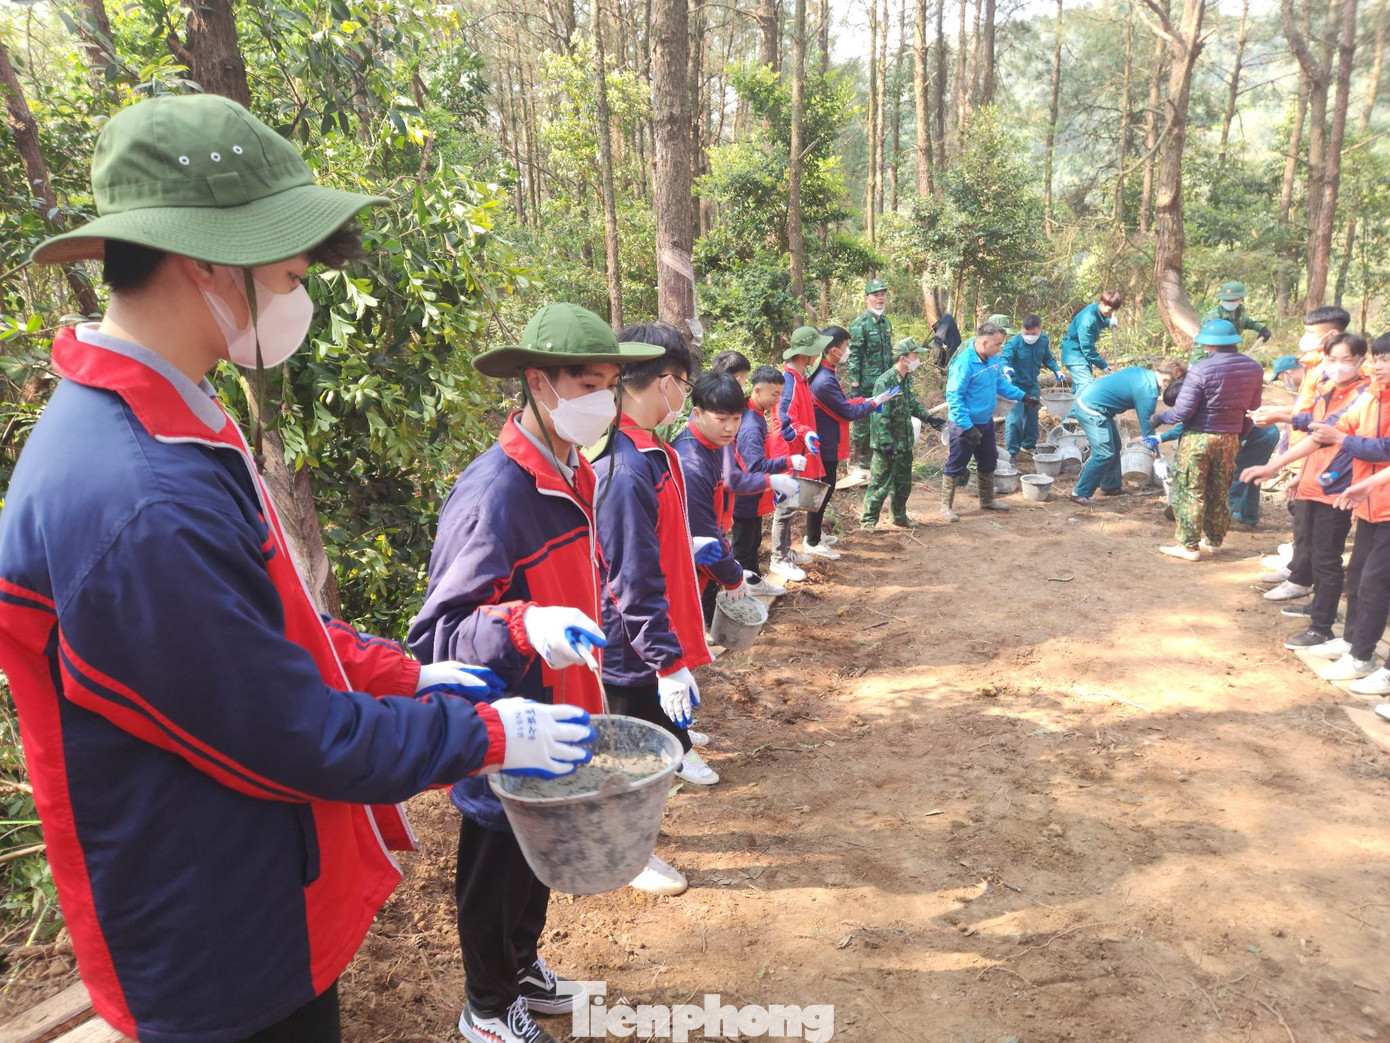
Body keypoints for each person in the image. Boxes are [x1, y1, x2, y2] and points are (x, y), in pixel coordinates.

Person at [0, 94, 594, 1043]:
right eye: (287, 275)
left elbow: (267, 633)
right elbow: (290, 732)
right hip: (214, 944)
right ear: (204, 261)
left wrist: (408, 672)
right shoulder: (139, 498)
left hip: (254, 884)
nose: (297, 298)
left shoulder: (174, 423)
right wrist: (483, 732)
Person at [407, 302, 663, 1043]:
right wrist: (523, 625)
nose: (604, 401)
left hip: (559, 710)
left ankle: (522, 967)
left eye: (611, 384)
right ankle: (487, 1006)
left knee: (535, 859)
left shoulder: (573, 470)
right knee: (496, 858)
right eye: (587, 383)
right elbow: (437, 636)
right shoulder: (496, 493)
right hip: (506, 724)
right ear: (539, 383)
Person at [589, 321, 713, 896]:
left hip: (646, 636)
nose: (683, 396)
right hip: (628, 643)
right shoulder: (624, 465)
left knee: (645, 748)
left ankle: (633, 842)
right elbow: (630, 575)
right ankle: (624, 853)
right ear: (664, 381)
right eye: (683, 384)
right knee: (628, 755)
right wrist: (665, 660)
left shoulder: (650, 452)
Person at [1239, 333, 1370, 655]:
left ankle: (1321, 628)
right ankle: (1318, 607)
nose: (1338, 366)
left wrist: (1273, 464)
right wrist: (1300, 476)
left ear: (1361, 361)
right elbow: (1313, 424)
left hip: (1336, 489)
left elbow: (1322, 435)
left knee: (1326, 558)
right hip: (1314, 481)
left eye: (1346, 360)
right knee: (1311, 549)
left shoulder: (1363, 396)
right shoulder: (1328, 389)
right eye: (1332, 359)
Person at [1288, 333, 1390, 693]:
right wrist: (1276, 466)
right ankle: (1354, 646)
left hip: (1378, 504)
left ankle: (1364, 656)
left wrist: (1343, 441)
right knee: (1359, 578)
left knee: (1375, 584)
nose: (1379, 365)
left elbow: (1381, 448)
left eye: (1385, 359)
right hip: (1370, 505)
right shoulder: (1372, 397)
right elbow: (1327, 431)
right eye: (1378, 358)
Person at [1249, 307, 1352, 594]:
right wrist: (1278, 412)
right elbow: (1307, 410)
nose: (1304, 338)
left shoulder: (1334, 373)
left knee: (1315, 526)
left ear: (1331, 335)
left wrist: (1278, 416)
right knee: (1302, 519)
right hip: (1307, 454)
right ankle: (1297, 567)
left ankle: (1302, 579)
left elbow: (1324, 421)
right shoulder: (1315, 365)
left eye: (1310, 332)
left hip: (1325, 459)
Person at [1154, 319, 1265, 561]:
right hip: (1230, 438)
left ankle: (1188, 546)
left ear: (1210, 344)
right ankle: (1214, 541)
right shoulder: (1254, 369)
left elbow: (1183, 412)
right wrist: (1239, 435)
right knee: (1220, 489)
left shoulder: (1201, 369)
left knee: (1190, 490)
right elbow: (1253, 409)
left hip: (1198, 438)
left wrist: (1160, 418)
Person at [673, 373, 758, 647]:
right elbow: (703, 534)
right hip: (684, 564)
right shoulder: (692, 465)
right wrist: (733, 577)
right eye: (721, 419)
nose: (730, 428)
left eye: (736, 418)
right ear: (697, 413)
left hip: (704, 553)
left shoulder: (715, 444)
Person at [809, 325, 895, 552]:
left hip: (828, 440)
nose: (848, 351)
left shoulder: (827, 373)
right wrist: (874, 403)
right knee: (822, 490)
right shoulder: (824, 380)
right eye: (846, 347)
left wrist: (868, 400)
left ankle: (815, 533)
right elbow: (846, 412)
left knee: (825, 489)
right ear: (833, 350)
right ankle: (812, 540)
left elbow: (843, 403)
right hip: (825, 442)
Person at [1069, 360, 1187, 506]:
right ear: (1166, 381)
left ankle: (1110, 486)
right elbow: (1147, 428)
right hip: (1091, 410)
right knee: (1104, 454)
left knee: (1115, 446)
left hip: (1095, 405)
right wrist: (1157, 457)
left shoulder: (1143, 374)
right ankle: (1079, 493)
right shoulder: (1147, 391)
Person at [942, 322, 1028, 521]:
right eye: (997, 344)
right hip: (963, 424)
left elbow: (1000, 384)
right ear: (983, 342)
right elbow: (954, 397)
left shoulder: (993, 358)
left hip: (985, 421)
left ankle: (987, 500)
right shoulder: (964, 363)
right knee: (957, 463)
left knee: (989, 460)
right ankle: (946, 507)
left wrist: (1023, 396)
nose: (1000, 349)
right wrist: (967, 427)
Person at [766, 326, 832, 578]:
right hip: (787, 451)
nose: (818, 355)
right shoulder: (790, 382)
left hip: (797, 450)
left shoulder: (800, 378)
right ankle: (778, 558)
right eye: (816, 351)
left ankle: (786, 550)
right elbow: (786, 420)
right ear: (806, 354)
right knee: (784, 507)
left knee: (792, 504)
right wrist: (805, 434)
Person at [731, 366, 803, 590]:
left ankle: (754, 583)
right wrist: (787, 462)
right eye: (774, 394)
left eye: (780, 394)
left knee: (753, 540)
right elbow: (754, 467)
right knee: (744, 546)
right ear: (757, 390)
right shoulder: (751, 424)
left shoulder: (756, 415)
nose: (778, 400)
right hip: (745, 495)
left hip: (754, 492)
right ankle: (743, 590)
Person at [861, 339, 929, 528]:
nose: (918, 359)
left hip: (904, 442)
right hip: (888, 444)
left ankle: (899, 517)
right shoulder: (885, 382)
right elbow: (879, 413)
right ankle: (868, 522)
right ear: (903, 358)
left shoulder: (906, 379)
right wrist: (885, 441)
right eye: (915, 355)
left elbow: (911, 402)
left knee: (903, 484)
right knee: (879, 485)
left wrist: (929, 417)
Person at [1000, 314, 1065, 461]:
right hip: (1015, 386)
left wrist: (1056, 370)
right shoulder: (1014, 343)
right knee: (1015, 419)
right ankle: (1012, 451)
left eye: (1033, 333)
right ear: (1021, 329)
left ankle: (1028, 445)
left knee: (1032, 417)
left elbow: (1047, 357)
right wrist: (1005, 368)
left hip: (1033, 385)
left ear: (1040, 329)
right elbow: (1004, 358)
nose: (1029, 336)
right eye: (1026, 333)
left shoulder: (1043, 340)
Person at [847, 278, 894, 477]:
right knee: (861, 424)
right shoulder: (860, 324)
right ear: (867, 298)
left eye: (882, 294)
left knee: (878, 421)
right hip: (866, 384)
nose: (880, 298)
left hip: (883, 384)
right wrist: (854, 384)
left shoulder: (886, 322)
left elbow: (889, 354)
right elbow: (854, 356)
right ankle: (853, 462)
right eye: (875, 295)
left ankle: (866, 459)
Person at [1060, 290, 1123, 394]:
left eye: (1112, 311)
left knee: (1078, 389)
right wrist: (1103, 365)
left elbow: (1099, 319)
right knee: (1086, 385)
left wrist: (1108, 322)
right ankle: (1081, 405)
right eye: (1109, 310)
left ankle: (1073, 404)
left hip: (1081, 355)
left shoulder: (1097, 310)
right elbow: (1088, 349)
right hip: (1074, 354)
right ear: (1102, 303)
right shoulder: (1087, 321)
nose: (1110, 313)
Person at [1196, 280, 1272, 365]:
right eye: (1227, 300)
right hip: (1211, 359)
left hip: (1228, 355)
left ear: (1240, 298)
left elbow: (1245, 321)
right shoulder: (1214, 317)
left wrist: (1261, 329)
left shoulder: (1239, 310)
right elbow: (1203, 346)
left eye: (1233, 299)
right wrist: (1201, 365)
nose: (1230, 302)